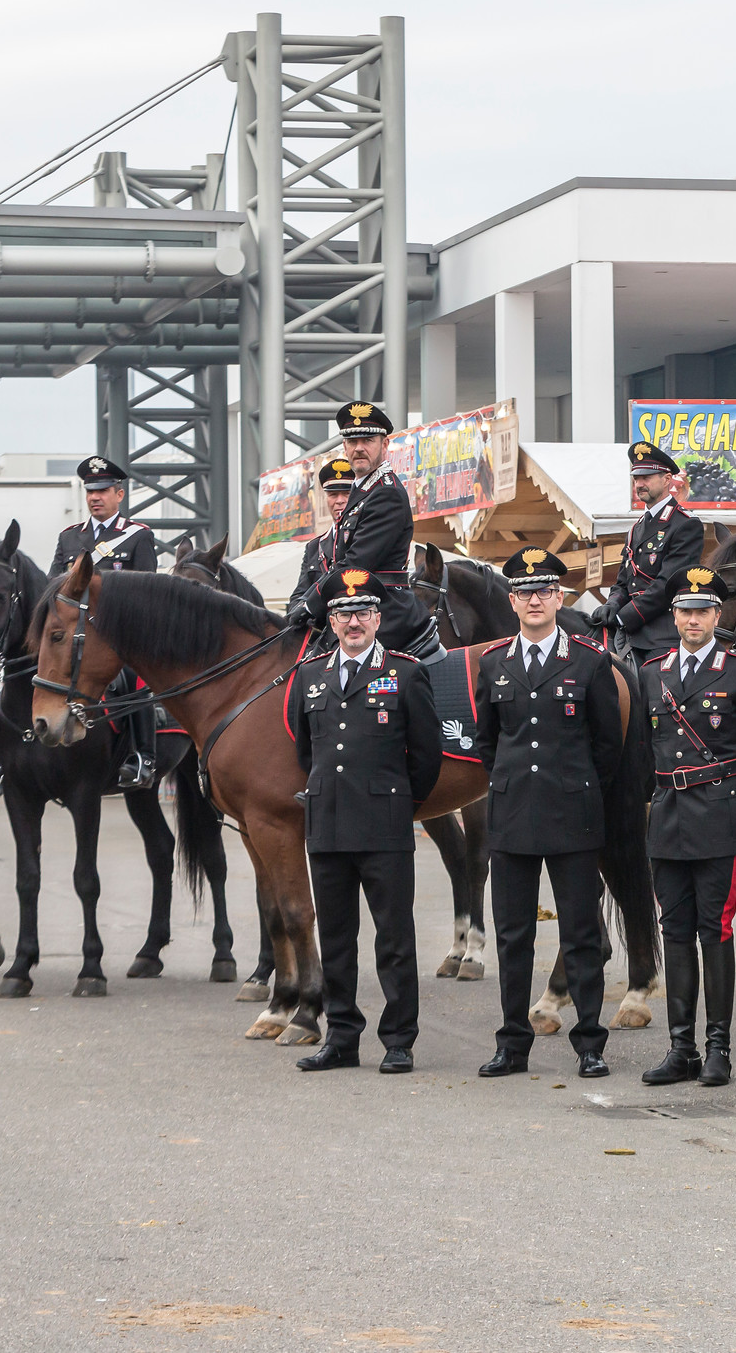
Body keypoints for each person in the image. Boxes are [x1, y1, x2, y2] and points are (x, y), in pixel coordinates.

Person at [474, 546, 626, 1080]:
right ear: (512, 602)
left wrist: (576, 787)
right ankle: (513, 1043)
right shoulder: (494, 664)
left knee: (581, 935)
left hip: (572, 814)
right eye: (523, 593)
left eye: (543, 591)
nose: (534, 600)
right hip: (513, 816)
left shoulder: (589, 662)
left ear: (559, 598)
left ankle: (590, 1043)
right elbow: (488, 745)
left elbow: (608, 746)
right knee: (513, 935)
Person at [286, 568, 443, 1073]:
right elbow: (305, 751)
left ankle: (398, 1039)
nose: (353, 621)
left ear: (378, 618)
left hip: (384, 824)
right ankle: (342, 1037)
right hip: (327, 824)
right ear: (331, 622)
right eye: (342, 613)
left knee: (393, 937)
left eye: (362, 613)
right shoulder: (310, 675)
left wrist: (398, 803)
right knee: (335, 938)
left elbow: (426, 756)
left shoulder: (405, 672)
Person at [638, 567, 736, 1088]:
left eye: (702, 611)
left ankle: (718, 1047)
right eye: (684, 611)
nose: (692, 619)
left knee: (714, 929)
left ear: (718, 616)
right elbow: (641, 752)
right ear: (673, 616)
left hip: (720, 814)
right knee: (674, 930)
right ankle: (682, 1049)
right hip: (668, 815)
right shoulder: (653, 672)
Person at [48, 455, 159, 789]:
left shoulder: (137, 536)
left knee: (135, 678)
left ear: (119, 495)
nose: (95, 497)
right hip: (72, 634)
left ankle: (143, 756)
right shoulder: (69, 538)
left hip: (116, 635)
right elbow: (53, 589)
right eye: (91, 491)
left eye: (103, 490)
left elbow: (145, 591)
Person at [287, 403, 430, 657]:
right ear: (344, 447)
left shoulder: (386, 493)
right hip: (358, 605)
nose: (359, 448)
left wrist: (310, 605)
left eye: (368, 440)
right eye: (352, 441)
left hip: (383, 609)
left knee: (319, 666)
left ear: (384, 445)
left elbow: (355, 563)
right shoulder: (363, 489)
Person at [587, 442, 704, 658]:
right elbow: (624, 583)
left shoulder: (685, 524)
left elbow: (667, 585)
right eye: (636, 478)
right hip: (629, 632)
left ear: (667, 479)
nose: (640, 484)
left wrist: (624, 616)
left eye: (646, 477)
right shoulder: (636, 529)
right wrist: (612, 604)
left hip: (662, 636)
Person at [285, 456, 359, 623]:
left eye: (346, 494)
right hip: (319, 632)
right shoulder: (314, 546)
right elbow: (298, 596)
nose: (339, 501)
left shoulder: (364, 537)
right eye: (333, 495)